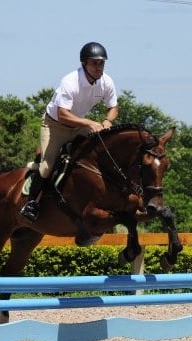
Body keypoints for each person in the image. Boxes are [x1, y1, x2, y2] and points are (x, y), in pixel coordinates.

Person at [20, 41, 119, 222]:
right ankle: (32, 203)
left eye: (101, 63)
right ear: (84, 63)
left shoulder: (106, 82)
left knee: (100, 152)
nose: (99, 67)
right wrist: (89, 123)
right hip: (55, 125)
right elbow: (62, 114)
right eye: (94, 63)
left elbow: (113, 107)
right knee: (47, 165)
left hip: (78, 124)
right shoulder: (70, 81)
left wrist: (107, 120)